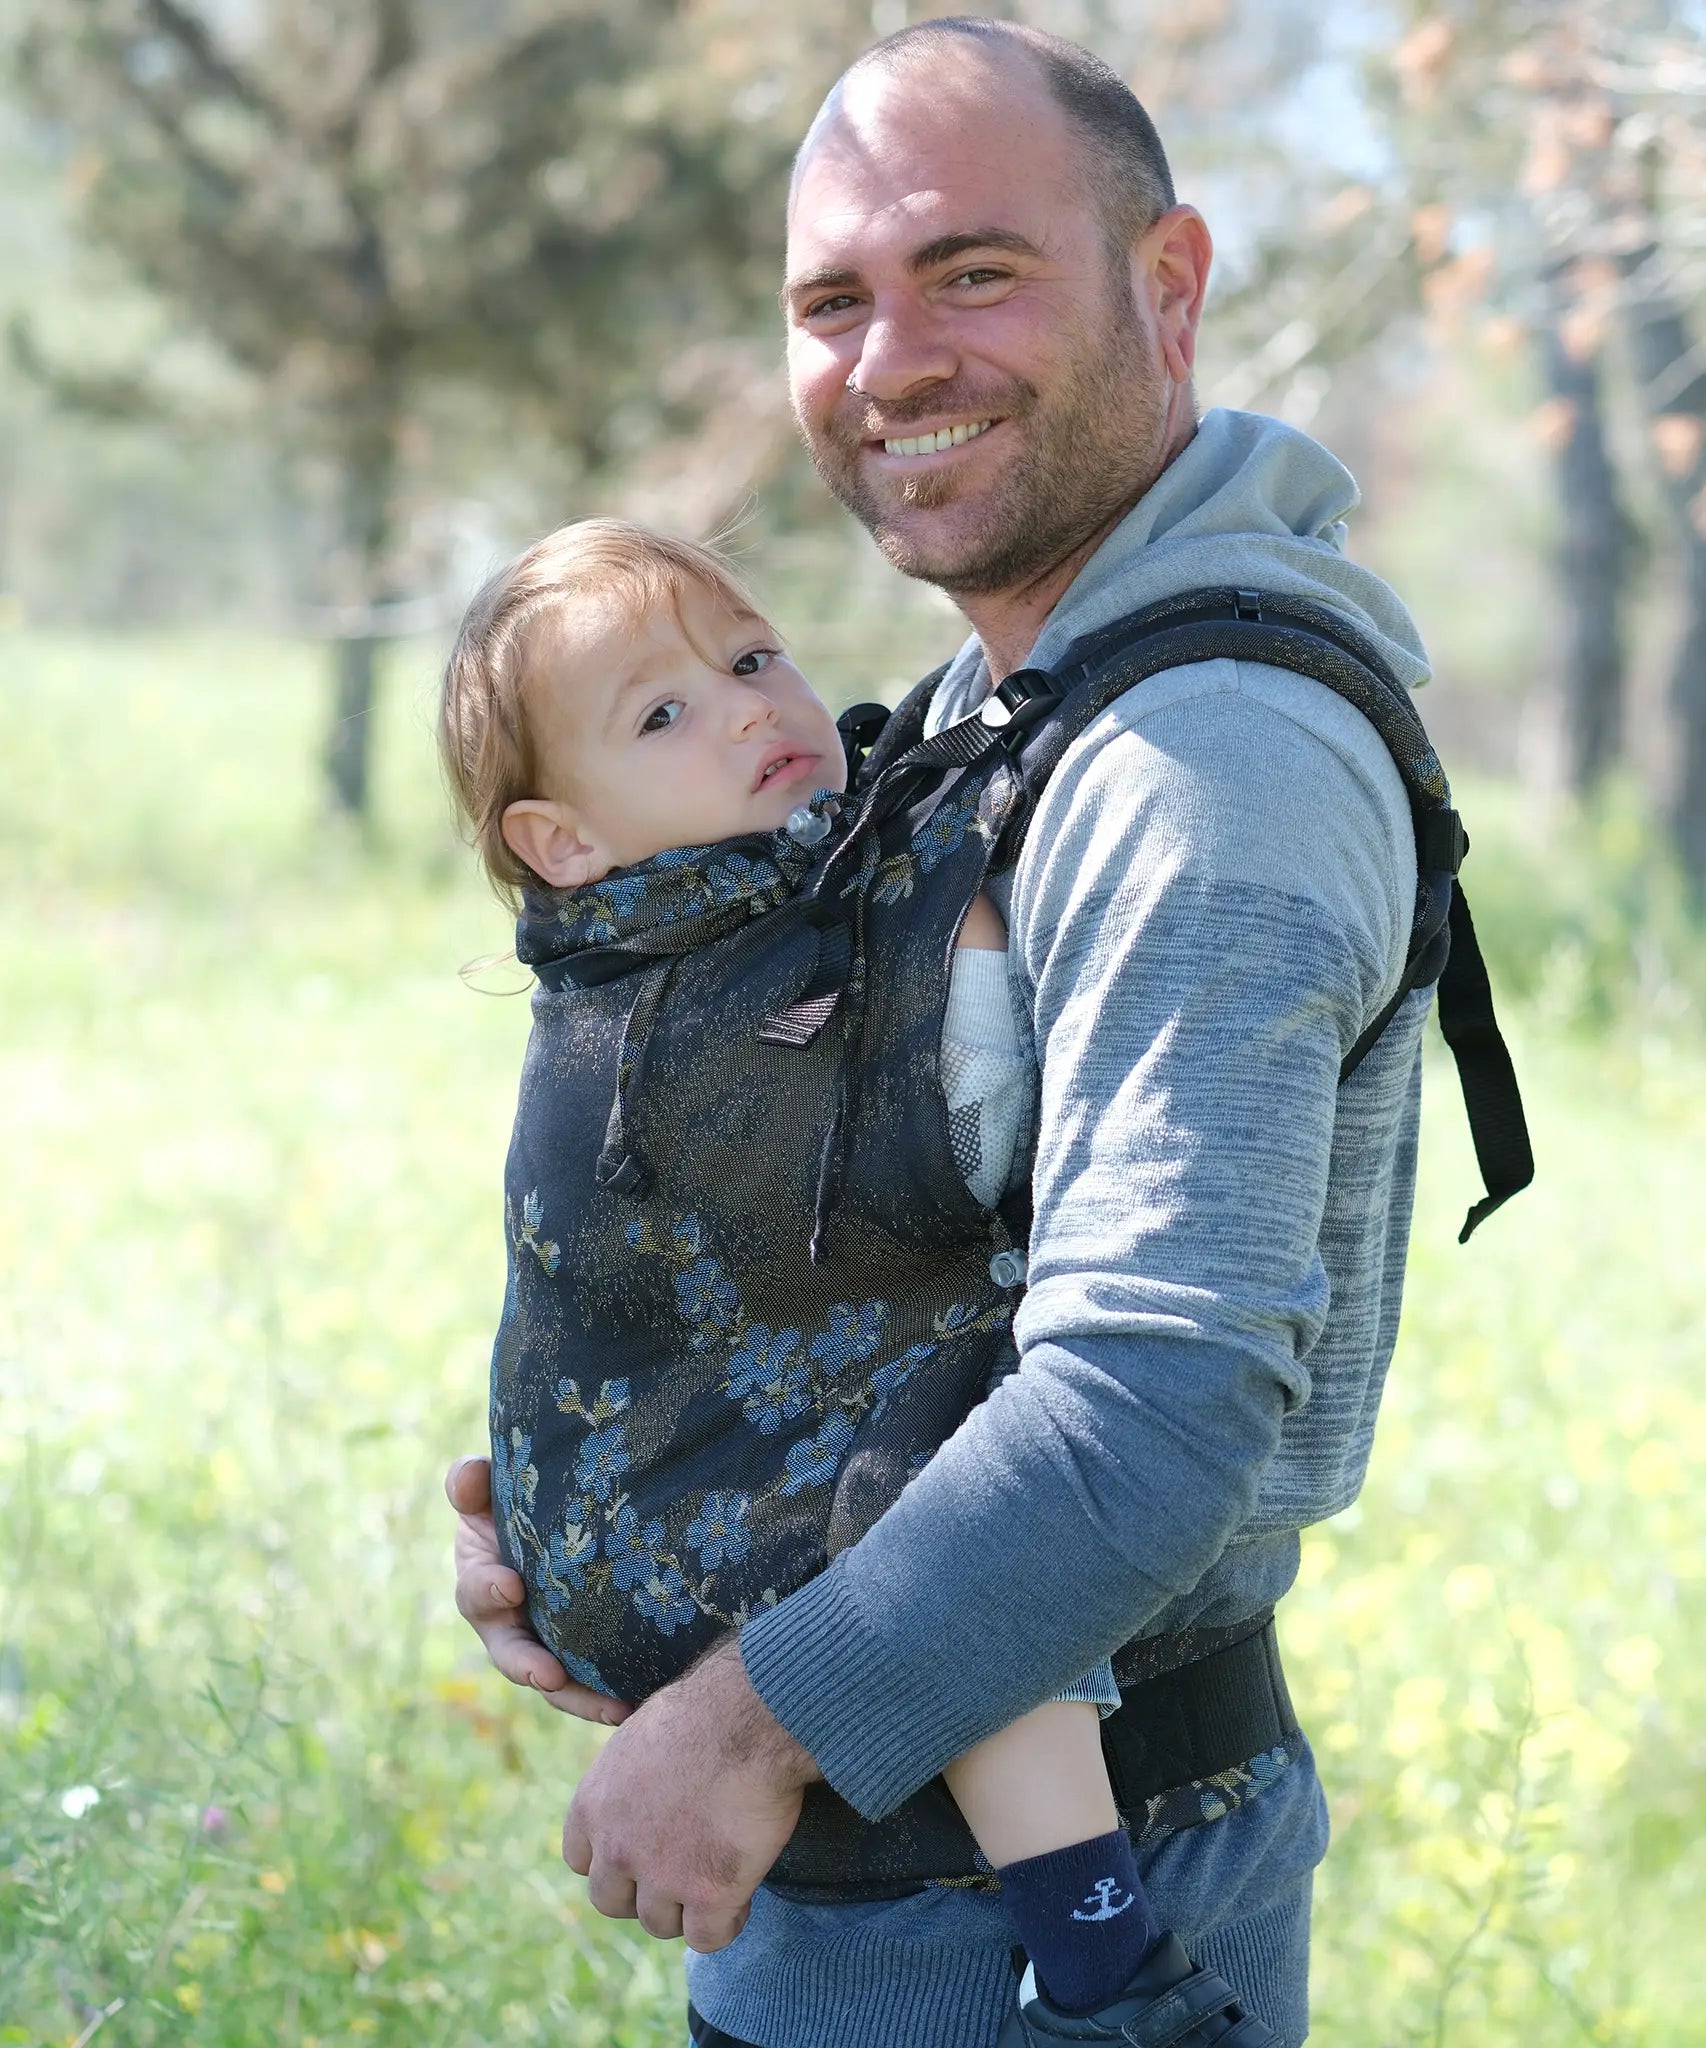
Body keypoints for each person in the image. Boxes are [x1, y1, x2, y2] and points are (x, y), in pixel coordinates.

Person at [449, 18, 1441, 2046]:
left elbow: (1153, 1401)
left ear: (1167, 287)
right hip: (889, 1835)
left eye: (973, 270)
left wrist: (749, 1711)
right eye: (835, 299)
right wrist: (638, 1496)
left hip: (1041, 1929)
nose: (891, 356)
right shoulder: (1003, 710)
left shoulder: (1201, 768)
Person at [438, 516, 1274, 2041]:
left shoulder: (719, 912)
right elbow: (966, 1110)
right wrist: (974, 915)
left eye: (752, 658)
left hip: (618, 1527)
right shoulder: (725, 965)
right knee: (968, 1485)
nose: (752, 707)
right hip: (694, 1535)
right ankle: (1098, 1957)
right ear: (560, 843)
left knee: (949, 1470)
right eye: (663, 713)